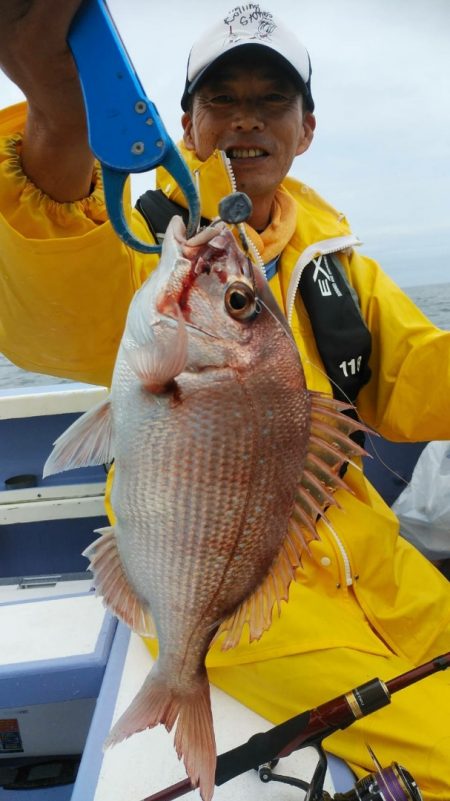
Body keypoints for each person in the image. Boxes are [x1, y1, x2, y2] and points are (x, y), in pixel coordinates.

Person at [0, 3, 449, 798]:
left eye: (271, 101)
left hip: (389, 576)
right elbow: (45, 307)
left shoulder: (335, 266)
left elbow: (420, 377)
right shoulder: (147, 258)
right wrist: (60, 121)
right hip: (262, 619)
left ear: (305, 128)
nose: (247, 119)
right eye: (223, 100)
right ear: (186, 121)